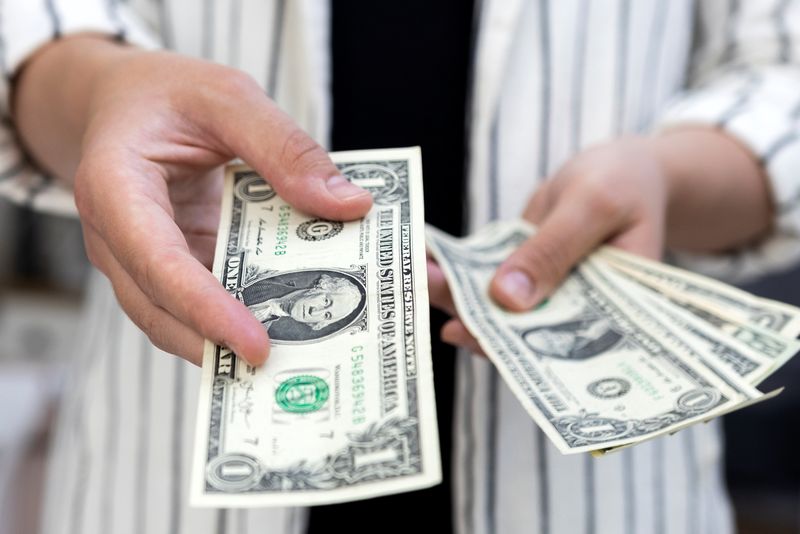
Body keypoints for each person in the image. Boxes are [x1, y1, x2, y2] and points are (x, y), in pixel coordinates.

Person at [3, 1, 800, 533]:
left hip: (592, 496)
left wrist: (670, 177)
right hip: (170, 469)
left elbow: (779, 75)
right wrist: (101, 93)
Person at [244, 270, 365, 341]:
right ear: (320, 287)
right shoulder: (266, 279)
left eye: (327, 315)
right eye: (326, 301)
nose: (314, 312)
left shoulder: (273, 336)